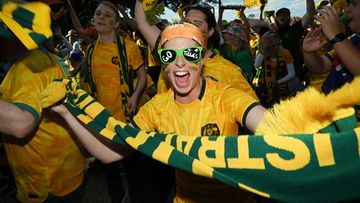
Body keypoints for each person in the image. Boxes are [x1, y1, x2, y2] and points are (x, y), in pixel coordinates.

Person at [51, 21, 267, 203]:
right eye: (169, 55)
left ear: (202, 60)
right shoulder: (156, 108)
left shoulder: (225, 96)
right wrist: (66, 114)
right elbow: (110, 152)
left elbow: (270, 125)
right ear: (163, 62)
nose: (180, 61)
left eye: (190, 53)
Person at [0, 1, 85, 202]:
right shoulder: (42, 58)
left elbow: (22, 123)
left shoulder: (27, 68)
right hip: (66, 173)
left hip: (48, 184)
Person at [80, 1, 147, 203]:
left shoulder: (129, 48)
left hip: (127, 120)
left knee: (133, 168)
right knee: (109, 169)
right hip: (102, 121)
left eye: (108, 15)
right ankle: (116, 197)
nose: (101, 17)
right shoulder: (90, 51)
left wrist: (135, 96)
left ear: (117, 23)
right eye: (98, 13)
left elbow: (142, 76)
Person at [135, 0, 258, 101]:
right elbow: (142, 21)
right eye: (187, 23)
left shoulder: (229, 71)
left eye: (197, 23)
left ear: (210, 31)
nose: (191, 27)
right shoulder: (169, 52)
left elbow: (250, 107)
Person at [302, 2, 360, 123]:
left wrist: (335, 35)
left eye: (354, 4)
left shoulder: (342, 40)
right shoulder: (352, 40)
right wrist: (308, 52)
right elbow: (320, 66)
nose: (347, 10)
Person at [253, 31, 299, 107]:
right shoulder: (262, 53)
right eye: (268, 40)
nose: (272, 42)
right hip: (265, 89)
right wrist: (264, 48)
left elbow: (292, 74)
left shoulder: (285, 53)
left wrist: (278, 82)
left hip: (282, 88)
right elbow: (256, 65)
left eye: (274, 39)